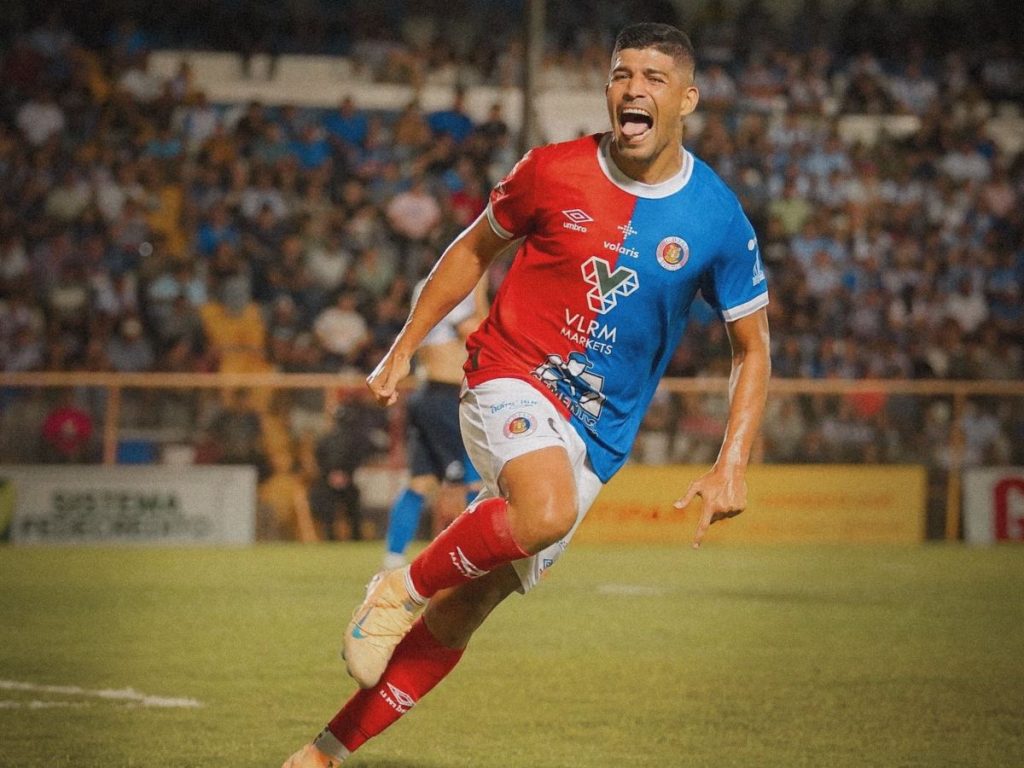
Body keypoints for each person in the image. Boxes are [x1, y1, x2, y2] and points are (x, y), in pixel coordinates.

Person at [283, 22, 771, 767]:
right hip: (511, 370)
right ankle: (396, 589)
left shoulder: (717, 218)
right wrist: (406, 344)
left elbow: (752, 345)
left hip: (598, 433)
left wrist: (732, 459)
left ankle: (321, 754)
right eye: (621, 74)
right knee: (544, 511)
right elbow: (474, 249)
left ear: (688, 99)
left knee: (469, 607)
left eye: (653, 77)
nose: (633, 89)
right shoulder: (552, 169)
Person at [381, 276, 487, 570]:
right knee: (468, 482)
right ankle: (468, 558)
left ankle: (393, 556)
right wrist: (480, 290)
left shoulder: (428, 285)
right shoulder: (450, 286)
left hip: (430, 394)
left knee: (421, 481)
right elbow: (478, 335)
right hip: (445, 397)